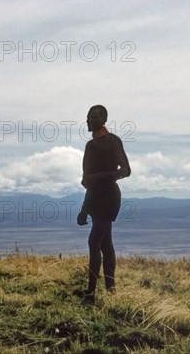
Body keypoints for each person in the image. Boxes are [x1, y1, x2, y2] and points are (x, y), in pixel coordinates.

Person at [77, 105, 131, 302]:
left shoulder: (113, 142)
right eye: (88, 117)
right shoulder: (90, 146)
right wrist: (84, 208)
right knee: (106, 244)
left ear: (104, 119)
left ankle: (91, 293)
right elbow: (87, 180)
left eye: (94, 117)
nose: (90, 120)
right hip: (94, 198)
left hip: (109, 197)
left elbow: (125, 170)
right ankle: (110, 290)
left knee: (94, 241)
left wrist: (100, 176)